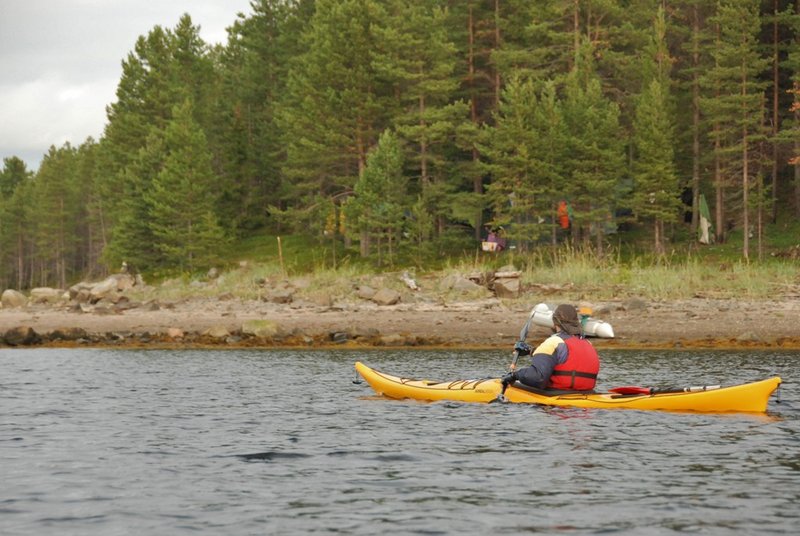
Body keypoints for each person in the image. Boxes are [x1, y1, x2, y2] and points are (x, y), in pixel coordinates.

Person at [502, 304, 600, 391]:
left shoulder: (553, 341)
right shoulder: (588, 343)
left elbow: (538, 378)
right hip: (586, 398)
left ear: (554, 322)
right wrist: (531, 351)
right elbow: (564, 357)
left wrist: (515, 375)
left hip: (558, 401)